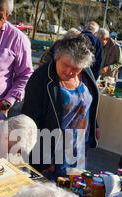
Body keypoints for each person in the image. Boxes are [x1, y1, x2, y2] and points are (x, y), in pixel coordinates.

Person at [22, 35, 99, 181]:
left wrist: (95, 125)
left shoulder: (86, 73)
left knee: (76, 191)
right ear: (57, 57)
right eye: (65, 65)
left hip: (79, 148)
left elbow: (87, 102)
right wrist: (43, 159)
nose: (69, 72)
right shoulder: (40, 79)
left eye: (75, 68)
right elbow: (30, 122)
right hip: (53, 154)